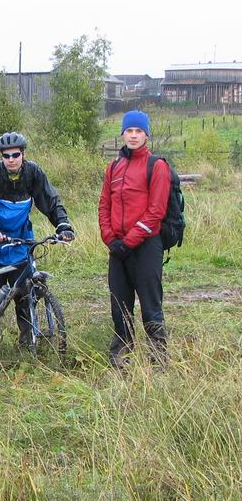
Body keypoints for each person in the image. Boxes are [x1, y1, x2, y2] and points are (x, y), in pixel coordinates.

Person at [0, 132, 75, 346]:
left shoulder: (33, 173)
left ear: (23, 154)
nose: (11, 159)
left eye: (15, 155)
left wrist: (63, 224)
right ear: (1, 157)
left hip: (21, 243)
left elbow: (50, 200)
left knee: (24, 294)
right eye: (6, 156)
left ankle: (27, 339)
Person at [99, 110, 170, 368]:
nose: (133, 135)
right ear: (123, 133)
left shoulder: (157, 166)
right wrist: (110, 238)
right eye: (129, 130)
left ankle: (158, 358)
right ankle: (121, 356)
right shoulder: (114, 166)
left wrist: (130, 241)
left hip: (146, 246)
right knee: (119, 305)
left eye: (139, 131)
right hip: (117, 247)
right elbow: (104, 204)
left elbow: (156, 212)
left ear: (146, 135)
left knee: (150, 304)